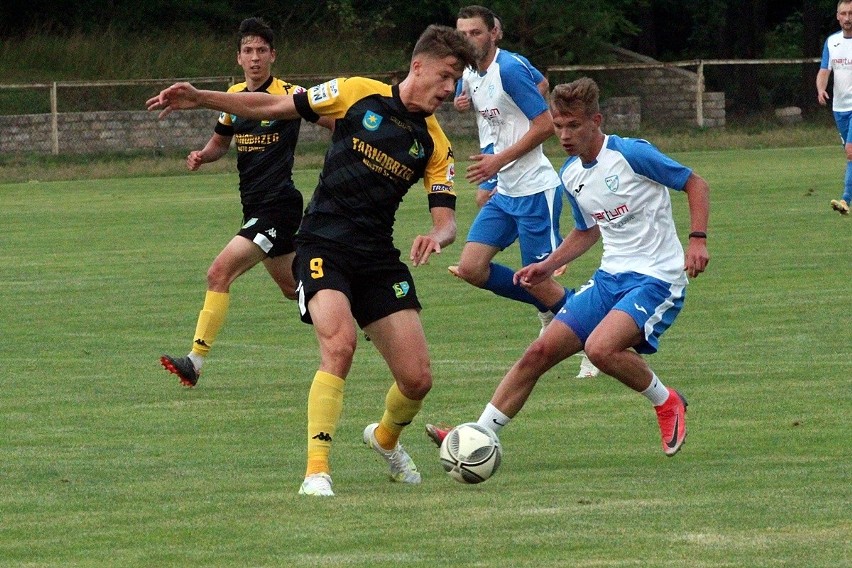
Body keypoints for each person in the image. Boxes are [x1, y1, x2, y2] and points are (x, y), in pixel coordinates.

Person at [148, 24, 477, 496]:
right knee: (340, 346)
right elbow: (272, 106)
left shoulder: (434, 142)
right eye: (447, 76)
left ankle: (384, 440)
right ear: (418, 65)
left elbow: (445, 216)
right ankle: (316, 471)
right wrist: (204, 98)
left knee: (418, 379)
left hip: (378, 258)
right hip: (322, 244)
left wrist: (438, 236)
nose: (451, 89)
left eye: (458, 79)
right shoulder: (355, 93)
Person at [426, 77, 710, 458]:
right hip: (610, 277)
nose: (563, 135)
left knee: (600, 349)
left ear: (596, 120)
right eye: (558, 126)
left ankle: (667, 400)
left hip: (657, 278)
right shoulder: (572, 175)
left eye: (573, 125)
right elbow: (585, 231)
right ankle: (478, 434)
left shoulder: (630, 154)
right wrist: (547, 266)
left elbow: (695, 183)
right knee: (538, 353)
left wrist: (697, 239)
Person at [159, 17, 333, 387]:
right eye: (248, 51)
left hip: (278, 205)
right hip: (255, 207)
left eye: (261, 51)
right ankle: (360, 306)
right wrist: (203, 156)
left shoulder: (291, 94)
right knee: (295, 289)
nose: (255, 58)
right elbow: (221, 142)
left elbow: (335, 121)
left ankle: (195, 361)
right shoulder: (233, 98)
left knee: (218, 273)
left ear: (273, 55)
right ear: (238, 57)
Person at [451, 6, 599, 378]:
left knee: (540, 279)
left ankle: (593, 336)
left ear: (494, 33)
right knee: (471, 268)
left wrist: (497, 161)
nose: (468, 40)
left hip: (534, 190)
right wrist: (490, 177)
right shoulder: (470, 71)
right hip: (504, 190)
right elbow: (530, 86)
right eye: (462, 34)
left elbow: (547, 123)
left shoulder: (510, 68)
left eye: (475, 33)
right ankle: (552, 311)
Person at [817, 0, 852, 216]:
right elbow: (824, 70)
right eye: (844, 13)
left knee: (851, 151)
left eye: (851, 13)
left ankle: (845, 199)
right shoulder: (832, 42)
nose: (848, 18)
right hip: (839, 108)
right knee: (851, 155)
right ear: (837, 16)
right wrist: (821, 89)